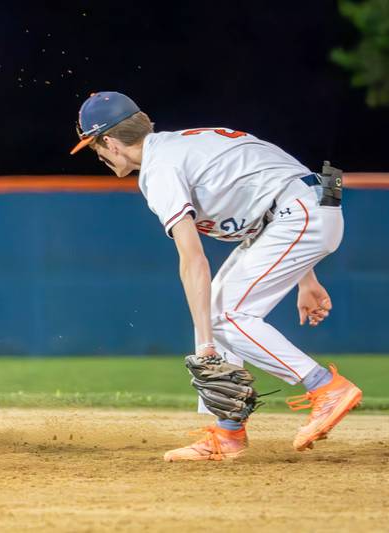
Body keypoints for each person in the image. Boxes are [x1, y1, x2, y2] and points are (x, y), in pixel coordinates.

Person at [70, 91, 362, 461]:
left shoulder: (160, 170)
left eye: (94, 146)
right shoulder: (182, 145)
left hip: (299, 215)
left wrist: (206, 345)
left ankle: (325, 387)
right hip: (304, 211)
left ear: (109, 141)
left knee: (223, 316)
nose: (98, 155)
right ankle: (227, 434)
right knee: (218, 310)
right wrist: (305, 276)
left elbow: (193, 260)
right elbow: (277, 176)